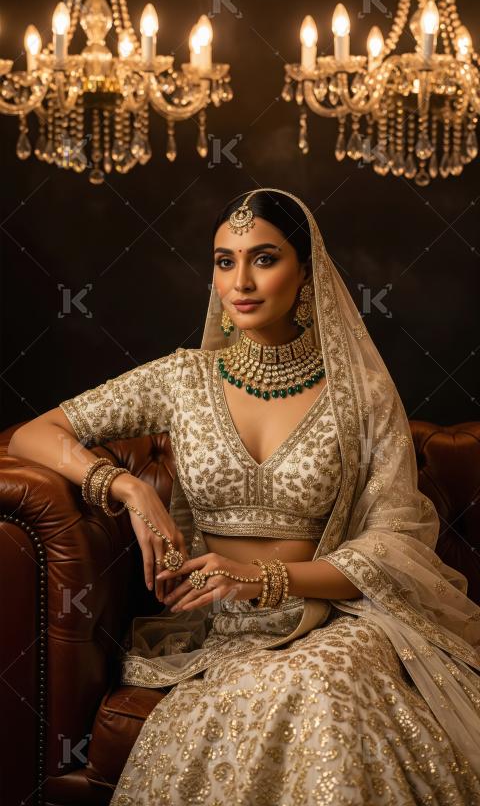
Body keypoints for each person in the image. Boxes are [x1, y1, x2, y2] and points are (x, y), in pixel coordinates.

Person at [10, 188, 480, 804]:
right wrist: (126, 488)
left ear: (306, 271)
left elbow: (392, 542)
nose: (241, 280)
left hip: (335, 619)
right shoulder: (184, 378)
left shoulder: (361, 394)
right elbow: (33, 433)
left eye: (264, 258)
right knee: (292, 690)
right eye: (225, 260)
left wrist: (266, 577)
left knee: (323, 682)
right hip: (223, 626)